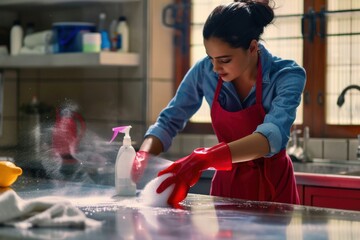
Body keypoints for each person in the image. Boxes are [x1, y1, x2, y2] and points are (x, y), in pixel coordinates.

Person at [132, 0, 306, 207]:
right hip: (227, 187)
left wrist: (206, 158)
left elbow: (272, 136)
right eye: (210, 58)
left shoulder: (286, 75)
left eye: (224, 60)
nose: (215, 68)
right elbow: (169, 121)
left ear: (252, 48)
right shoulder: (204, 70)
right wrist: (143, 154)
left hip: (273, 189)